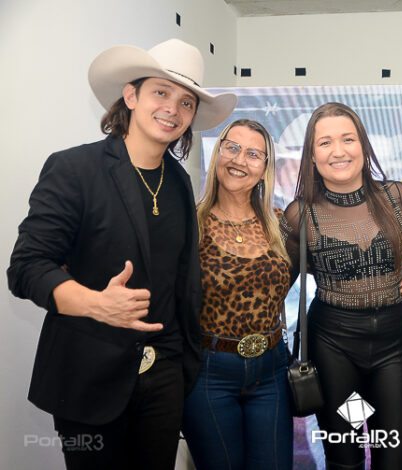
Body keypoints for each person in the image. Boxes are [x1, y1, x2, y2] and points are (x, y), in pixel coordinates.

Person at [6, 39, 236, 470]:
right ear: (131, 96)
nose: (173, 109)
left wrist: (179, 364)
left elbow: (180, 280)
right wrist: (95, 303)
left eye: (186, 102)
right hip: (89, 378)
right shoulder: (75, 169)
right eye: (161, 92)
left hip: (165, 378)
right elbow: (26, 268)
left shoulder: (179, 182)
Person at [281, 102, 402, 470]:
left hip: (394, 349)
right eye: (325, 142)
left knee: (394, 458)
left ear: (363, 145)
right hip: (335, 351)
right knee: (346, 456)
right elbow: (275, 284)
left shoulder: (398, 197)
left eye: (348, 139)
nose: (338, 151)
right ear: (312, 155)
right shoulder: (300, 214)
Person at [181, 119, 293, 469]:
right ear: (218, 154)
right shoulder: (190, 224)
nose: (239, 160)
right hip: (209, 373)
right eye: (232, 148)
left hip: (272, 371)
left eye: (253, 154)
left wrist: (395, 279)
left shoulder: (280, 223)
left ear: (264, 169)